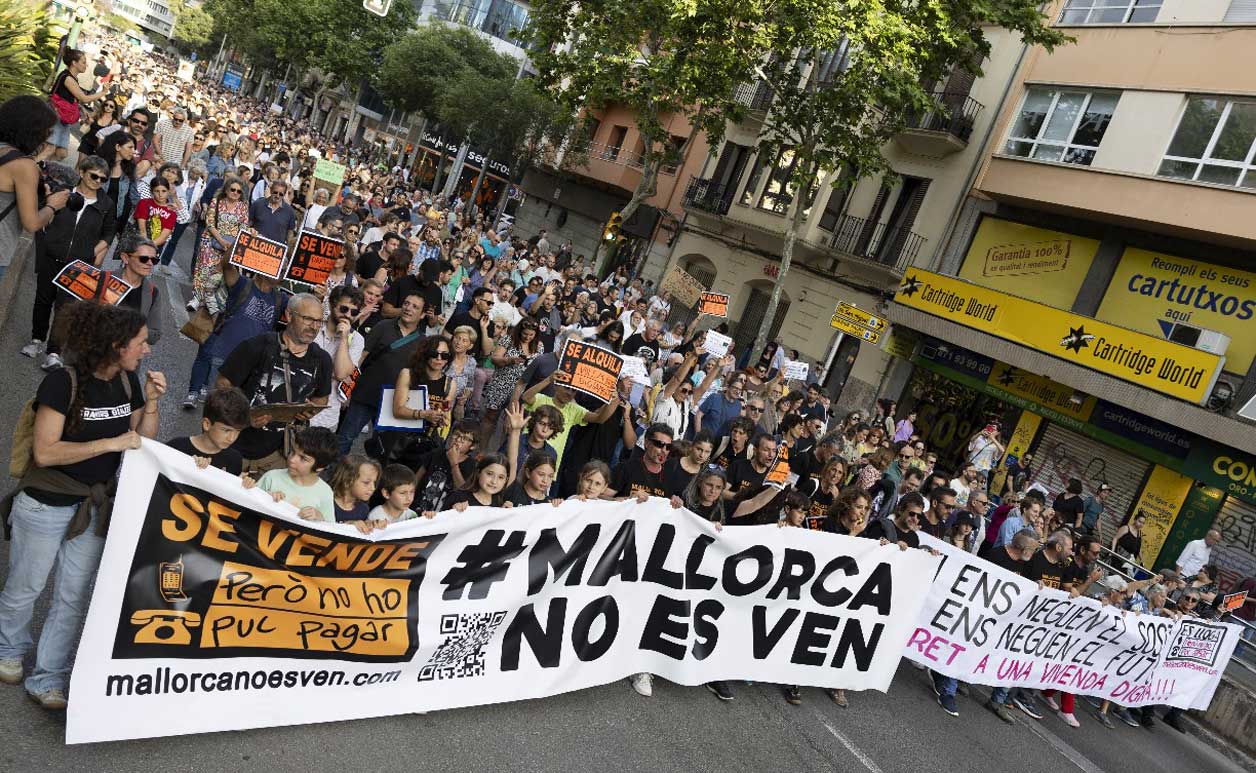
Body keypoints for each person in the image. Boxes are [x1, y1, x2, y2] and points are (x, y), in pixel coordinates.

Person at [0, 301, 165, 709]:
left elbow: (142, 439)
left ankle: (48, 677)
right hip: (45, 503)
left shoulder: (128, 382)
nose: (147, 350)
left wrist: (152, 403)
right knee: (26, 587)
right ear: (116, 345)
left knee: (72, 597)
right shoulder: (63, 382)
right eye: (141, 342)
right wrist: (109, 443)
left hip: (93, 508)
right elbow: (45, 452)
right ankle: (8, 651)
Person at [216, 293, 333, 473]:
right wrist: (244, 416)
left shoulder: (322, 360)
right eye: (308, 319)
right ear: (289, 315)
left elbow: (321, 399)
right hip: (234, 443)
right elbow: (222, 385)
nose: (314, 327)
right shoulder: (258, 345)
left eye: (319, 321)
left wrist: (308, 410)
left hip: (279, 455)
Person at [27, 155, 117, 371]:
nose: (98, 181)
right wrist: (47, 239)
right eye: (94, 176)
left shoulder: (106, 204)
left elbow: (109, 232)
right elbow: (43, 213)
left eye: (103, 179)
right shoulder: (63, 193)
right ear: (82, 172)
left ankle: (54, 352)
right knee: (43, 300)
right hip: (52, 256)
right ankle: (36, 340)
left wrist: (92, 252)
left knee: (65, 308)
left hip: (78, 265)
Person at [336, 293, 425, 456]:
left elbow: (418, 374)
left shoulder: (423, 342)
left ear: (423, 314)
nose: (408, 308)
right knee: (345, 437)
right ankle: (332, 470)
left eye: (415, 307)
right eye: (406, 303)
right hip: (365, 393)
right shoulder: (383, 326)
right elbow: (361, 356)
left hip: (393, 401)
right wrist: (348, 387)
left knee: (383, 448)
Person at [251, 426, 339, 522]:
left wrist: (319, 517)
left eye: (303, 458)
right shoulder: (271, 477)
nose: (292, 459)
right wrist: (265, 497)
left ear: (320, 467)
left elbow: (330, 527)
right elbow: (250, 504)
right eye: (293, 451)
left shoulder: (325, 493)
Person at [309, 286, 365, 432]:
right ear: (332, 304)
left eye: (354, 312)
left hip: (327, 417)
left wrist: (344, 338)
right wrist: (332, 372)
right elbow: (303, 363)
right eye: (344, 309)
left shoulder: (357, 339)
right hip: (299, 407)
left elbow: (340, 373)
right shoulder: (313, 327)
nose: (348, 315)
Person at [192, 174, 249, 311]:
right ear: (226, 190)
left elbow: (243, 227)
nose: (235, 193)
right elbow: (210, 223)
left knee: (218, 274)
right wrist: (221, 240)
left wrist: (233, 244)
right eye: (233, 189)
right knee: (204, 269)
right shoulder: (216, 201)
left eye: (238, 191)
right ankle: (196, 298)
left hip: (229, 246)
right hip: (211, 240)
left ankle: (208, 301)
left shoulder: (243, 207)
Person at [165, 386, 250, 474]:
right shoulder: (177, 447)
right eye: (226, 430)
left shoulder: (234, 459)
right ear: (207, 424)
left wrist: (240, 481)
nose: (232, 438)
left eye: (238, 431)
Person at [46, 49, 106, 159]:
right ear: (74, 63)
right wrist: (103, 93)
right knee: (49, 149)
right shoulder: (68, 78)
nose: (86, 65)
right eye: (83, 62)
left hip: (63, 117)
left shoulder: (72, 78)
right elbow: (84, 98)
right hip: (57, 115)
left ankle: (42, 165)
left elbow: (72, 99)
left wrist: (82, 110)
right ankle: (34, 165)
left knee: (61, 153)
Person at [329, 454, 380, 523]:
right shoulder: (326, 502)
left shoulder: (363, 509)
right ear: (347, 480)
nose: (373, 488)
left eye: (374, 482)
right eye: (366, 482)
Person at [248, 177, 297, 244]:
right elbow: (248, 223)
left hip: (276, 249)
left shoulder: (290, 211)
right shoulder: (258, 204)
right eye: (275, 192)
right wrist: (249, 230)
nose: (277, 196)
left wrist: (288, 247)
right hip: (254, 245)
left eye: (281, 194)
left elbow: (290, 233)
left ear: (284, 194)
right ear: (271, 191)